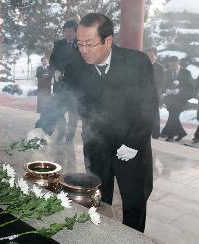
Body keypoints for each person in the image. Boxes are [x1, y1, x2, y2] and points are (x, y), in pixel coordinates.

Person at [37, 13, 158, 232]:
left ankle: (134, 242)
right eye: (80, 44)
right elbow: (62, 97)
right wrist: (42, 125)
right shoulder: (76, 66)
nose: (83, 50)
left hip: (130, 146)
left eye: (89, 44)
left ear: (108, 41)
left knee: (134, 202)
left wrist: (134, 141)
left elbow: (148, 106)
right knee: (97, 199)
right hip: (96, 143)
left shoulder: (137, 62)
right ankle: (99, 238)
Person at [49, 20, 80, 143]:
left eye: (71, 31)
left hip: (75, 86)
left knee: (73, 113)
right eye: (66, 31)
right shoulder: (58, 44)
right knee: (58, 110)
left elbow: (85, 64)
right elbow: (52, 61)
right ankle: (61, 130)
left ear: (76, 32)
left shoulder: (82, 44)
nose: (68, 33)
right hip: (59, 84)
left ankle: (70, 136)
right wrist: (55, 71)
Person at [160, 56, 195, 142]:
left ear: (178, 63)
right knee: (173, 116)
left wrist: (179, 90)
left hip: (181, 99)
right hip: (170, 99)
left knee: (173, 116)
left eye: (173, 65)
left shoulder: (186, 72)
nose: (172, 67)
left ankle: (170, 136)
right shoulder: (167, 72)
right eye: (170, 65)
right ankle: (181, 133)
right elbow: (163, 84)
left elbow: (190, 87)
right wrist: (166, 90)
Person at [145, 48, 165, 139]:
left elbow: (162, 82)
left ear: (156, 56)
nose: (150, 58)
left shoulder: (160, 67)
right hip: (143, 95)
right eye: (148, 56)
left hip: (155, 94)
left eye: (152, 56)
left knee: (155, 115)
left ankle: (156, 134)